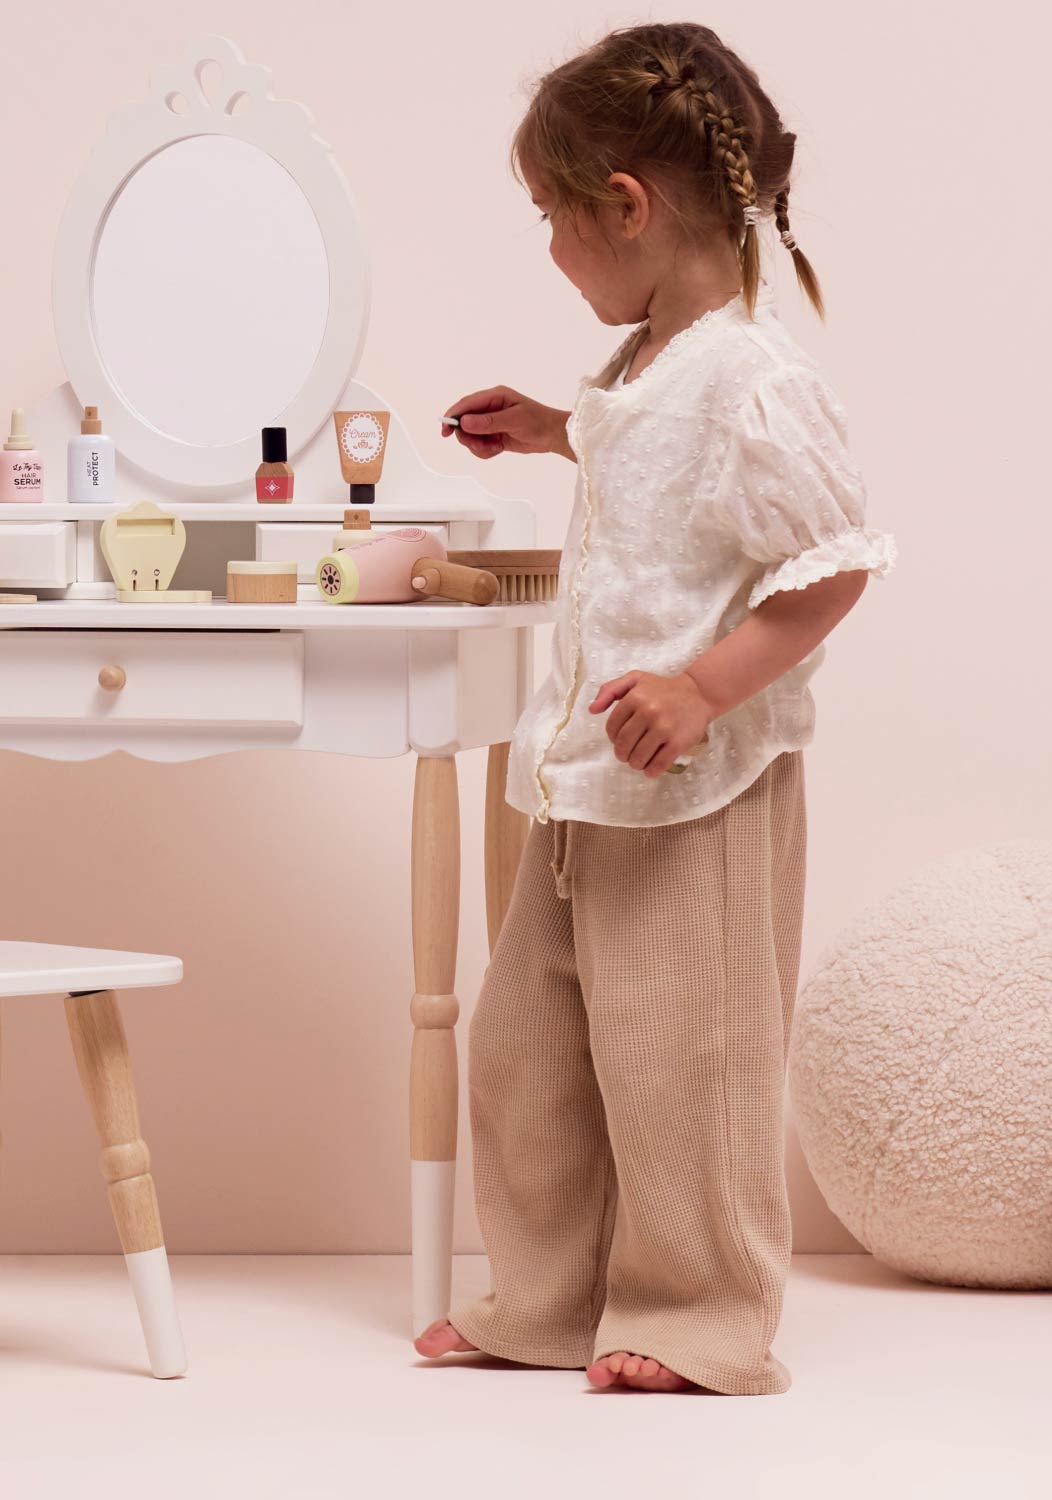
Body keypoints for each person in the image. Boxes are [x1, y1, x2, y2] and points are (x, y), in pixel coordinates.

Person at [416, 21, 896, 1394]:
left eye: (552, 222)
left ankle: (699, 1316)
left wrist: (701, 690)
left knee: (689, 1068)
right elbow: (654, 454)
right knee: (530, 1056)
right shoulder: (644, 369)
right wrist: (555, 426)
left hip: (699, 792)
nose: (551, 252)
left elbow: (834, 567)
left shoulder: (754, 377)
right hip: (588, 779)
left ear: (626, 206)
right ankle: (550, 1296)